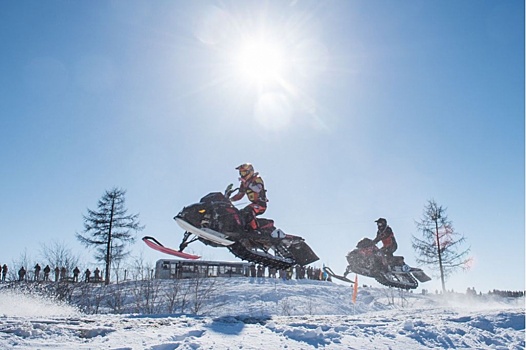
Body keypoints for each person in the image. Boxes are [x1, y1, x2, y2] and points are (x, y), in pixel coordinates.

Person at [230, 163, 268, 232]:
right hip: (254, 204)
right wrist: (229, 200)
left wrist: (247, 183)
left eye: (244, 173)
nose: (242, 175)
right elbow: (239, 195)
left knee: (248, 210)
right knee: (240, 213)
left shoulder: (257, 178)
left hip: (261, 205)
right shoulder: (244, 183)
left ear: (250, 171)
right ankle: (243, 230)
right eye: (241, 173)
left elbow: (258, 189)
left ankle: (256, 231)